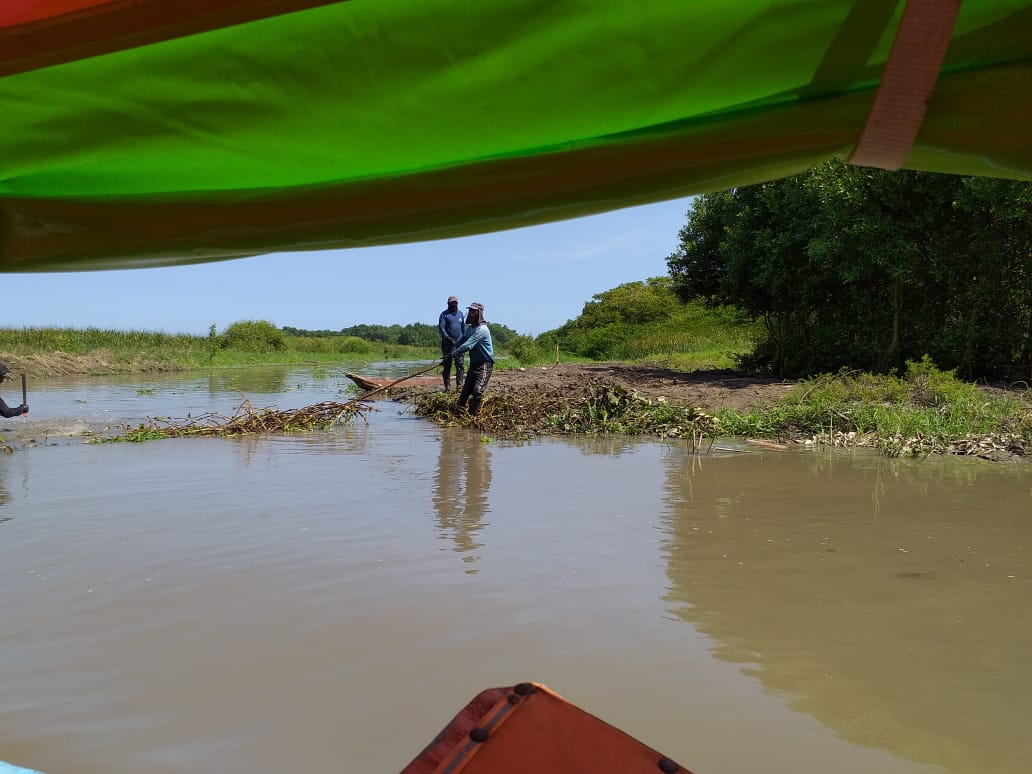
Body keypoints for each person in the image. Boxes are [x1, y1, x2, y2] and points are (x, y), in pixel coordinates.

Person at [450, 302, 494, 416]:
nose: (471, 313)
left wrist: (456, 352)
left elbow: (468, 345)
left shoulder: (482, 329)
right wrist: (452, 351)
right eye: (470, 311)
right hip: (474, 364)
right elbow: (462, 340)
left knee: (477, 390)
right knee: (464, 392)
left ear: (479, 313)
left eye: (474, 311)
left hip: (484, 365)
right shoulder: (470, 328)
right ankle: (458, 415)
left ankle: (473, 415)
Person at [438, 295, 466, 391]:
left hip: (459, 345)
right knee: (447, 365)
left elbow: (463, 328)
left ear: (457, 304)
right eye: (452, 303)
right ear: (448, 304)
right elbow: (441, 328)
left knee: (460, 365)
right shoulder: (444, 315)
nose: (454, 305)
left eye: (455, 303)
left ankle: (459, 386)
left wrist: (463, 339)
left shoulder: (461, 314)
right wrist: (447, 337)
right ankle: (447, 387)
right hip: (447, 345)